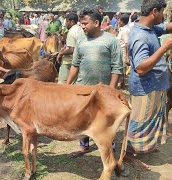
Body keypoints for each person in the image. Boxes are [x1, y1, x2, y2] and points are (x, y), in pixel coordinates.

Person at [124, 0, 172, 170]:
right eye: (162, 12)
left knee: (152, 118)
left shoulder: (150, 28)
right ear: (154, 12)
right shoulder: (140, 36)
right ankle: (128, 154)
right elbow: (141, 68)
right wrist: (164, 48)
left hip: (156, 85)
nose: (163, 16)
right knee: (139, 121)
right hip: (145, 87)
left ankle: (145, 146)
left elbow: (167, 27)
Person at [66, 7, 122, 157]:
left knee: (106, 120)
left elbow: (117, 68)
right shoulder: (80, 40)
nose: (82, 26)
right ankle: (84, 146)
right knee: (83, 118)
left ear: (96, 23)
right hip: (83, 88)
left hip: (104, 90)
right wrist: (67, 85)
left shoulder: (111, 40)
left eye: (85, 23)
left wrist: (111, 90)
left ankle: (110, 147)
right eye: (80, 23)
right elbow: (75, 64)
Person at [57, 13, 84, 84]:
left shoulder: (71, 32)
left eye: (67, 21)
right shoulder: (81, 29)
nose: (66, 23)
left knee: (62, 84)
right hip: (80, 61)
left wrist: (61, 53)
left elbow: (72, 49)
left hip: (68, 62)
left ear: (72, 22)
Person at [117, 14, 131, 89]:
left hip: (123, 52)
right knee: (121, 68)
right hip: (121, 51)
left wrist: (127, 57)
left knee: (120, 68)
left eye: (119, 20)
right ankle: (122, 84)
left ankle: (120, 84)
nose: (118, 21)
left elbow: (127, 43)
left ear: (122, 21)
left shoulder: (125, 30)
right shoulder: (123, 29)